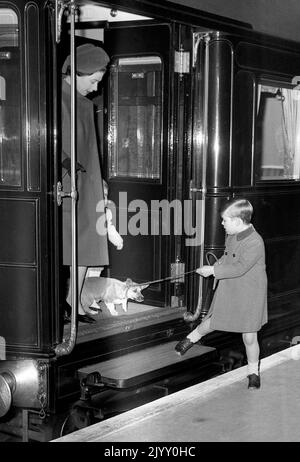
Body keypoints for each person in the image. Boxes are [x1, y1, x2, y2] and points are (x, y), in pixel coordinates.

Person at [175, 198, 268, 389]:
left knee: (249, 336)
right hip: (232, 287)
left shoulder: (255, 242)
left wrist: (213, 272)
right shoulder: (233, 235)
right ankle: (190, 339)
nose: (222, 223)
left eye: (225, 220)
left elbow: (241, 267)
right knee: (213, 321)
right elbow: (228, 257)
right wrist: (216, 265)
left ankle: (253, 373)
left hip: (250, 293)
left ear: (238, 221)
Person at [61, 43, 110, 324]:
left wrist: (96, 177)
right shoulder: (58, 98)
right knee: (71, 245)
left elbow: (90, 149)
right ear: (77, 73)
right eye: (93, 81)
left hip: (85, 183)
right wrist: (72, 169)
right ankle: (69, 301)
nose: (95, 88)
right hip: (67, 185)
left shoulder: (84, 103)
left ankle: (74, 299)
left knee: (88, 243)